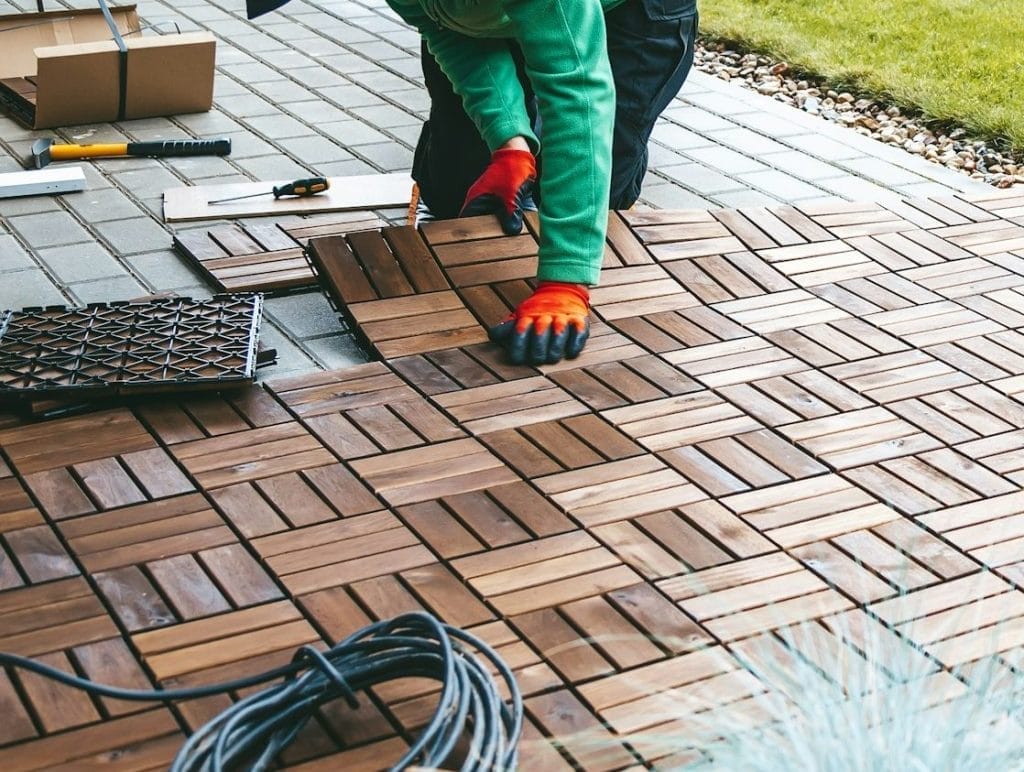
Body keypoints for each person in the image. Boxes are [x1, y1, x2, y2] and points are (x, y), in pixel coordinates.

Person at [391, 0, 699, 365]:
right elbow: (447, 30)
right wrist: (510, 144)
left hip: (633, 14)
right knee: (458, 179)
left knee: (599, 182)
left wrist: (564, 282)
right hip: (513, 12)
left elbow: (577, 94)